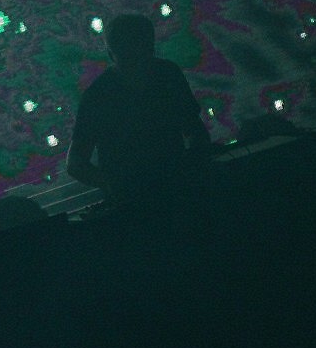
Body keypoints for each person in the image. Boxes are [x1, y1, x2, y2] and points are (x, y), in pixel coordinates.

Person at [67, 14, 211, 213]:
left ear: (110, 53)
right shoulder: (167, 74)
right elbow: (195, 129)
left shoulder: (98, 94)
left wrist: (116, 187)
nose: (136, 62)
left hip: (144, 202)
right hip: (173, 194)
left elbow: (76, 164)